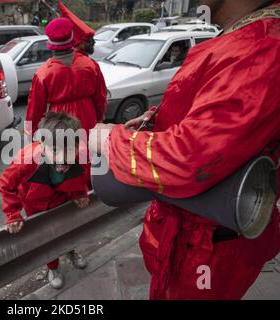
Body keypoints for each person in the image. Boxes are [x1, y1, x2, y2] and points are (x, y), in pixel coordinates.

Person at [89, 0, 280, 299]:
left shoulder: (261, 46)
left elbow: (190, 158)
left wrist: (108, 139)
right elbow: (211, 124)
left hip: (207, 244)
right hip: (186, 234)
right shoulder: (245, 34)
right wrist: (156, 122)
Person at [0, 112, 90, 289]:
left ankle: (70, 251)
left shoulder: (81, 156)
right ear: (41, 144)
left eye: (69, 150)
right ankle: (53, 267)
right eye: (55, 150)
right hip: (35, 204)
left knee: (68, 227)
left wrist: (80, 193)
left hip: (62, 198)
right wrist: (13, 213)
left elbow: (82, 178)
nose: (63, 159)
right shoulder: (24, 160)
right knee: (46, 236)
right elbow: (6, 185)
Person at [25, 17, 106, 139]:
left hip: (59, 121)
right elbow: (101, 97)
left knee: (63, 153)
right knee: (88, 151)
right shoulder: (91, 65)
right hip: (88, 115)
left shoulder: (43, 73)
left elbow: (35, 109)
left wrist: (31, 134)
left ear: (50, 43)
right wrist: (99, 118)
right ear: (72, 38)